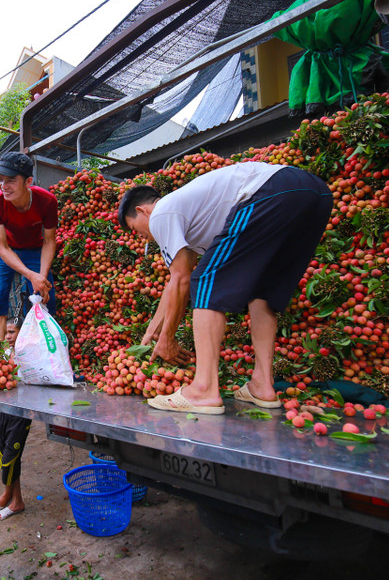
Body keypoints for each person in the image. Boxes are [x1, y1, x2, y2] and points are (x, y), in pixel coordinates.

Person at [118, 162, 333, 415]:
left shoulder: (162, 213)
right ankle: (262, 385)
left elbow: (184, 280)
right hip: (315, 194)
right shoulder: (188, 215)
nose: (141, 237)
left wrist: (167, 339)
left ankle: (203, 389)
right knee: (260, 293)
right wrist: (154, 331)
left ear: (143, 211)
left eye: (135, 230)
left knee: (204, 280)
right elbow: (177, 278)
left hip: (270, 191)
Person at [0, 151, 58, 338]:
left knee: (46, 299)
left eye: (10, 181)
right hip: (6, 251)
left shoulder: (47, 201)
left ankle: (40, 352)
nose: (3, 186)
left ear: (28, 182)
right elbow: (2, 248)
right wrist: (30, 275)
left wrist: (40, 278)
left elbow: (49, 241)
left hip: (35, 249)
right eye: (0, 180)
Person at [0, 317, 30, 521]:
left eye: (12, 332)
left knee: (10, 456)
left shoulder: (28, 355)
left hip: (21, 412)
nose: (8, 336)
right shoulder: (3, 355)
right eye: (5, 333)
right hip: (5, 411)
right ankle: (16, 500)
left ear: (21, 333)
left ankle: (6, 496)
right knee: (5, 452)